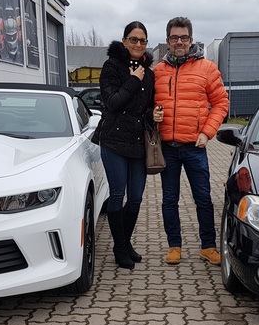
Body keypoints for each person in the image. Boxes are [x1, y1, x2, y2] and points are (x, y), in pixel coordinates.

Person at [153, 16, 229, 265]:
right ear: (167, 41)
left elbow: (221, 103)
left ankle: (208, 246)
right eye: (174, 37)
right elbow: (146, 105)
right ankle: (174, 246)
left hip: (195, 147)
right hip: (167, 148)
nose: (179, 42)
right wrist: (152, 115)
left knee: (203, 199)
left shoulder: (207, 68)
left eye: (184, 37)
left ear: (191, 39)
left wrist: (207, 132)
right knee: (169, 200)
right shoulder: (158, 72)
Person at [96, 21, 164, 269]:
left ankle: (125, 243)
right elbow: (112, 103)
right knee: (117, 195)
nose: (138, 44)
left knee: (135, 198)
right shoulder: (112, 67)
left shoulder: (150, 73)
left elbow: (144, 109)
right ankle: (119, 248)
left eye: (142, 40)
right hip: (113, 141)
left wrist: (152, 115)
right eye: (133, 39)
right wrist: (133, 80)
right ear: (124, 41)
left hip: (137, 143)